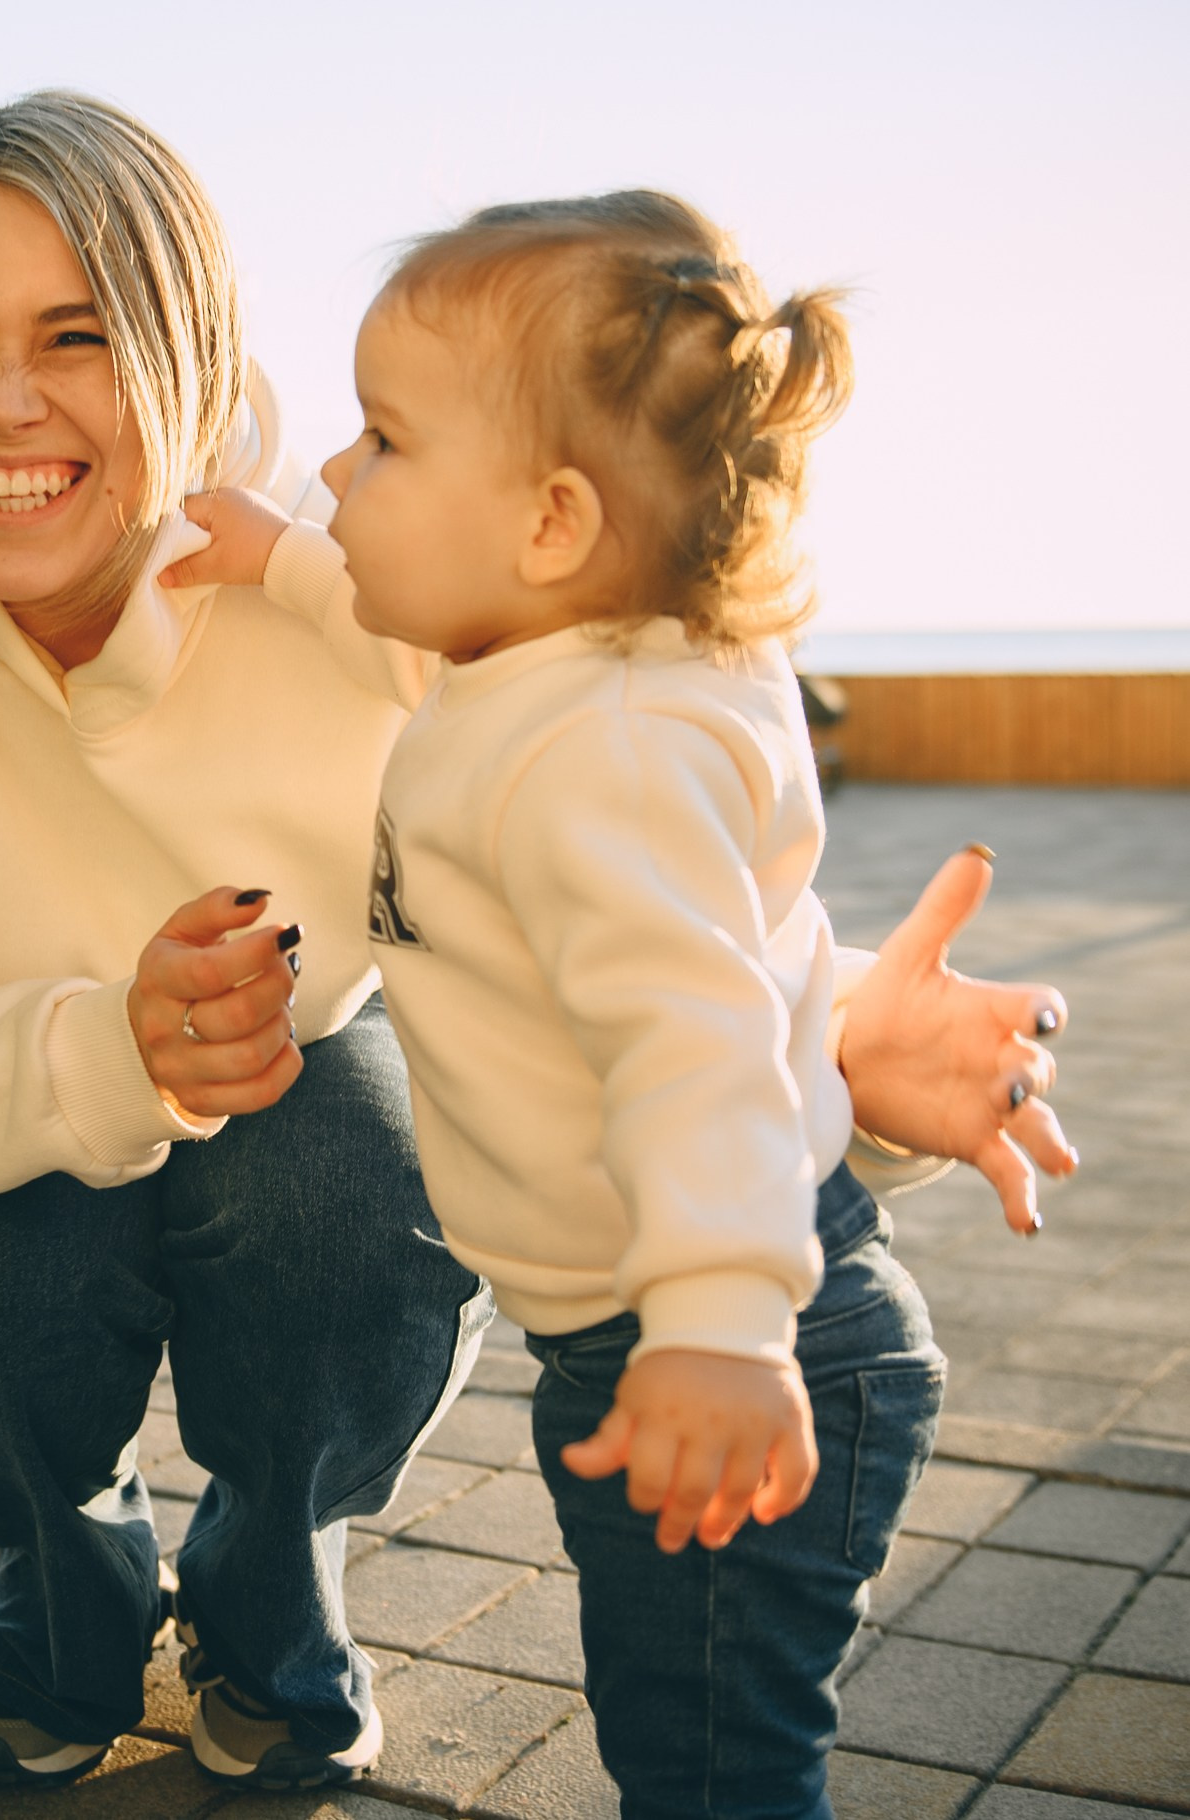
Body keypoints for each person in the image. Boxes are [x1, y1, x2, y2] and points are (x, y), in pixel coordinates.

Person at [0, 97, 1075, 1796]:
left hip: (477, 1184)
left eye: (80, 337)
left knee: (354, 1183)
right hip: (8, 1125)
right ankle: (66, 1584)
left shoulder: (392, 552)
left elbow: (648, 902)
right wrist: (108, 1050)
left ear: (184, 340)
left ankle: (273, 1591)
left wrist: (841, 1050)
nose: (10, 401)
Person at [175, 190, 1073, 1817]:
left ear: (550, 526)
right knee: (679, 1725)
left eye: (380, 443)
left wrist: (721, 1329)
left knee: (713, 1767)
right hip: (670, 1333)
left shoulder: (601, 763)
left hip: (736, 1344)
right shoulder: (570, 668)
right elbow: (426, 647)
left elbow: (702, 1050)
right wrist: (288, 566)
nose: (331, 475)